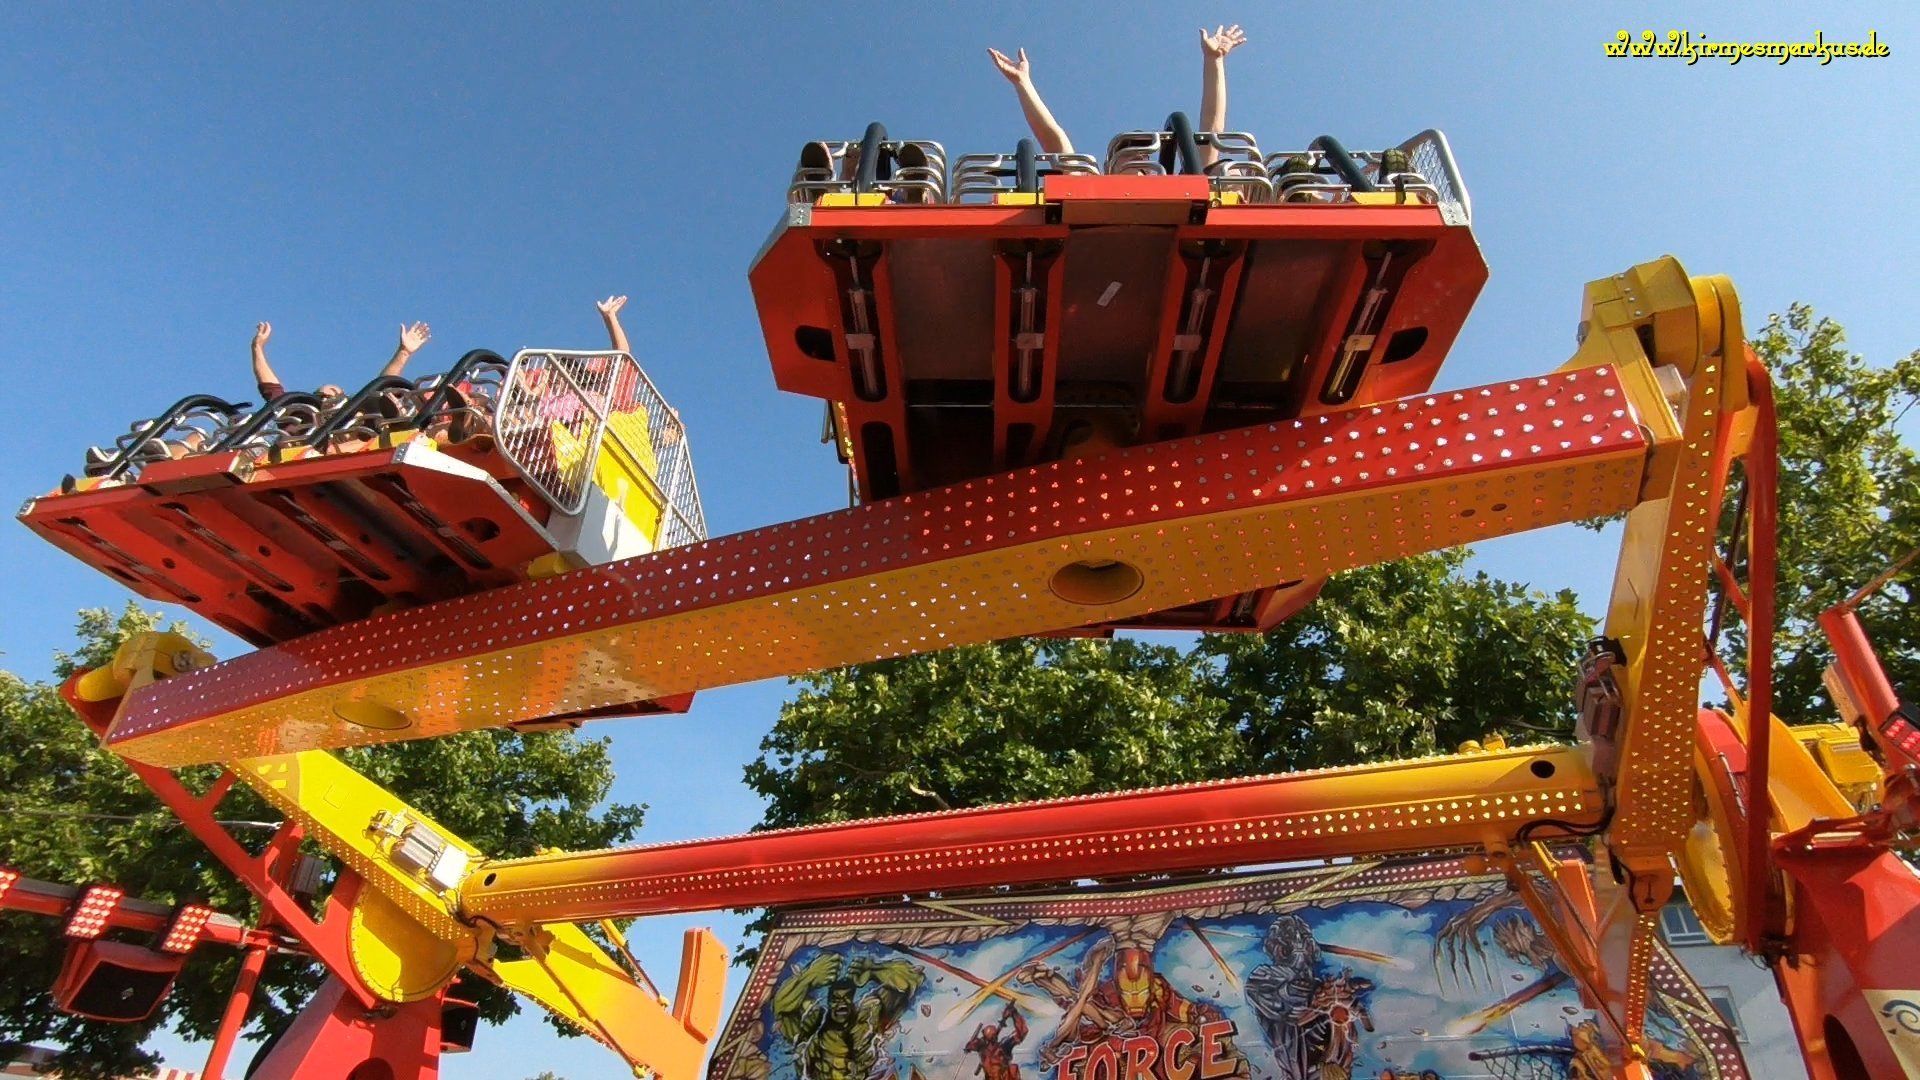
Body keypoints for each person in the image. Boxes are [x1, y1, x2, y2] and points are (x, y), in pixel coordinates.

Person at [988, 24, 1249, 164]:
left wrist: (1214, 61)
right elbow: (1055, 142)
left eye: (1145, 154)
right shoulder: (1091, 191)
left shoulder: (1182, 192)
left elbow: (1211, 131)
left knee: (1221, 169)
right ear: (1110, 165)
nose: (1139, 158)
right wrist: (1023, 83)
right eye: (1129, 151)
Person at [251, 320, 432, 405]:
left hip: (354, 451)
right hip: (307, 454)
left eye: (334, 396)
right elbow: (272, 389)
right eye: (321, 397)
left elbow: (382, 387)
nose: (327, 399)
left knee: (380, 399)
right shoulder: (303, 419)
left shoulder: (355, 416)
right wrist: (257, 347)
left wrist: (404, 352)